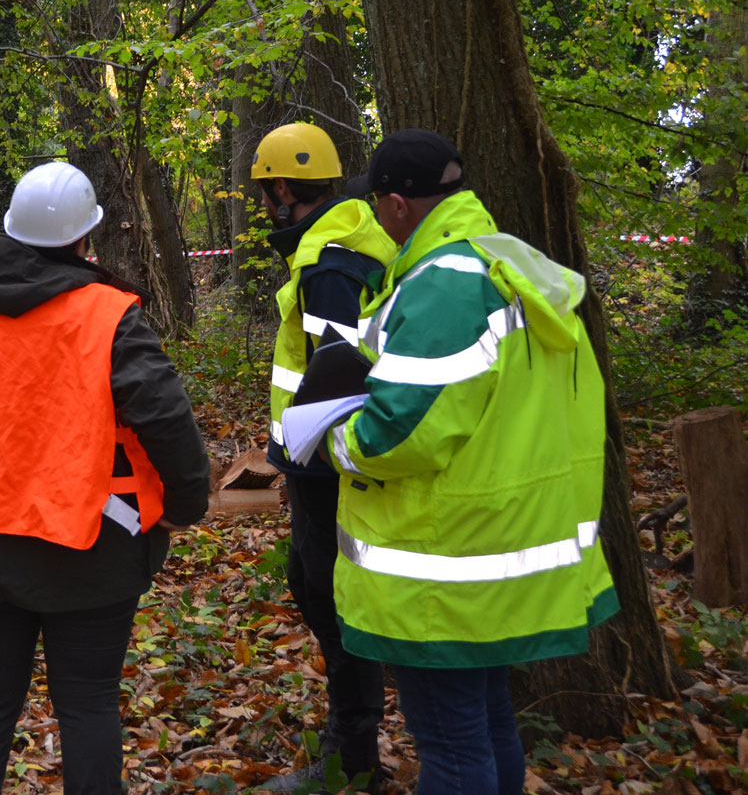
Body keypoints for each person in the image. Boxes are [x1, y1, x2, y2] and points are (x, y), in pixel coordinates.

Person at [324, 129, 617, 795]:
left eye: (375, 203)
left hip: (444, 567)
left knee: (453, 749)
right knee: (485, 730)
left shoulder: (447, 283)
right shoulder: (500, 259)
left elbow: (405, 430)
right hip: (492, 548)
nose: (373, 216)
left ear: (398, 204)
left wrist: (335, 442)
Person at [0, 161, 211, 795]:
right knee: (88, 705)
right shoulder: (108, 316)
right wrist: (185, 504)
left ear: (9, 228)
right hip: (88, 545)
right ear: (85, 238)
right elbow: (165, 418)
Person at [246, 123, 396, 793]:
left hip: (330, 465)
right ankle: (351, 739)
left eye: (264, 190)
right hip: (315, 462)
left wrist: (307, 452)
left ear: (282, 189)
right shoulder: (332, 245)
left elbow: (337, 377)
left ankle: (352, 754)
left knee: (332, 596)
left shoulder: (331, 263)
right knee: (312, 586)